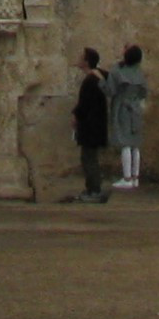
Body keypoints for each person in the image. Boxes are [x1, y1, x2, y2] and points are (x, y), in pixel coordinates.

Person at [104, 44, 148, 189]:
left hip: (122, 108)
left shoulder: (118, 71)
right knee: (135, 143)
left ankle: (127, 178)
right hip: (136, 107)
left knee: (124, 143)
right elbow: (144, 92)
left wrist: (100, 82)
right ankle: (135, 178)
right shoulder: (139, 72)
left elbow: (110, 90)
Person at [72, 48, 109, 203]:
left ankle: (94, 190)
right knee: (90, 158)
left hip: (90, 127)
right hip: (97, 125)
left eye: (81, 57)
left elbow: (84, 105)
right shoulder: (99, 77)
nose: (78, 59)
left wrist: (75, 116)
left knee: (88, 159)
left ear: (86, 61)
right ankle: (93, 189)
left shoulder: (90, 81)